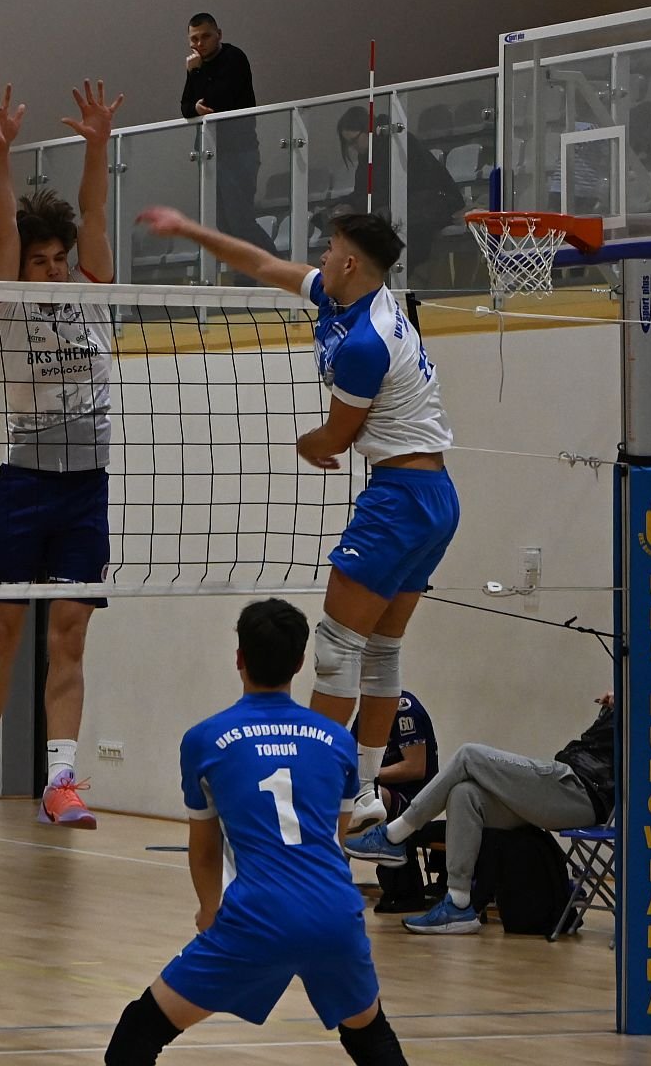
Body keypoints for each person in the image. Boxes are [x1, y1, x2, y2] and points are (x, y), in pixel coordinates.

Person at [136, 203, 458, 854]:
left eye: (330, 246)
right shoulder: (348, 298)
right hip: (433, 498)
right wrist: (189, 229)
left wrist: (306, 443)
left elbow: (335, 437)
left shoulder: (368, 342)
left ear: (351, 262)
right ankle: (363, 790)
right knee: (381, 648)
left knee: (337, 648)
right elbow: (261, 264)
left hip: (399, 497)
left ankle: (320, 785)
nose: (321, 254)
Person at [0, 80, 124, 844]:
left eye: (56, 259)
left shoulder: (93, 296)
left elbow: (96, 216)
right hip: (24, 486)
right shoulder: (6, 305)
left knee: (69, 637)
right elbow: (0, 231)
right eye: (37, 259)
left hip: (85, 490)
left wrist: (97, 146)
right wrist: (1, 152)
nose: (48, 268)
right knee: (2, 634)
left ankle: (59, 780)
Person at [102, 600, 406, 1066]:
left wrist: (210, 910)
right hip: (335, 914)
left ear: (239, 657)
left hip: (258, 916)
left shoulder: (204, 740)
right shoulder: (338, 741)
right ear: (300, 663)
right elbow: (335, 838)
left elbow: (205, 847)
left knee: (137, 1034)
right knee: (369, 1037)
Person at [347, 690, 651, 936]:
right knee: (465, 795)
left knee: (469, 755)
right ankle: (459, 905)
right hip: (565, 788)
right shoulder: (622, 706)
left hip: (579, 790)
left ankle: (394, 836)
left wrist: (639, 700)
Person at [329, 106, 466, 286]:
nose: (353, 148)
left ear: (368, 130)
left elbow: (416, 186)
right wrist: (347, 205)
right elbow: (365, 192)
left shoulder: (400, 143)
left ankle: (403, 280)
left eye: (354, 141)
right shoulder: (367, 157)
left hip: (430, 205)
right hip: (412, 208)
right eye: (349, 144)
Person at [181, 13, 270, 255]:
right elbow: (186, 106)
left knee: (240, 220)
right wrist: (195, 106)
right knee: (223, 224)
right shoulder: (197, 66)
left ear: (218, 35)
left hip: (238, 152)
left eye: (205, 37)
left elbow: (217, 101)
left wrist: (195, 74)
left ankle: (279, 271)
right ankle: (248, 273)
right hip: (211, 154)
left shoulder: (233, 58)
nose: (199, 44)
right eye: (194, 39)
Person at [348, 688, 438, 834]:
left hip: (412, 798)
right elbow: (351, 759)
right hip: (378, 788)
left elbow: (415, 768)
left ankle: (371, 839)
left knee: (361, 791)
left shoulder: (405, 709)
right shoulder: (365, 712)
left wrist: (365, 776)